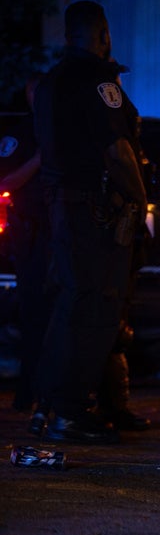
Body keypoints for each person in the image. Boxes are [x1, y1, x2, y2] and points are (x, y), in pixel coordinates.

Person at [30, 1, 147, 443]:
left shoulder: (51, 83)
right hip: (95, 213)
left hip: (63, 206)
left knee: (70, 305)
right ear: (103, 35)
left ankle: (49, 406)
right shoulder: (98, 81)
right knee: (97, 308)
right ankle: (71, 410)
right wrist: (141, 201)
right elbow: (117, 151)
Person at [0, 76, 45, 414]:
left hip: (65, 237)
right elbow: (7, 180)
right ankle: (28, 390)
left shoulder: (70, 128)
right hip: (32, 237)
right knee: (33, 314)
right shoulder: (21, 133)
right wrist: (40, 159)